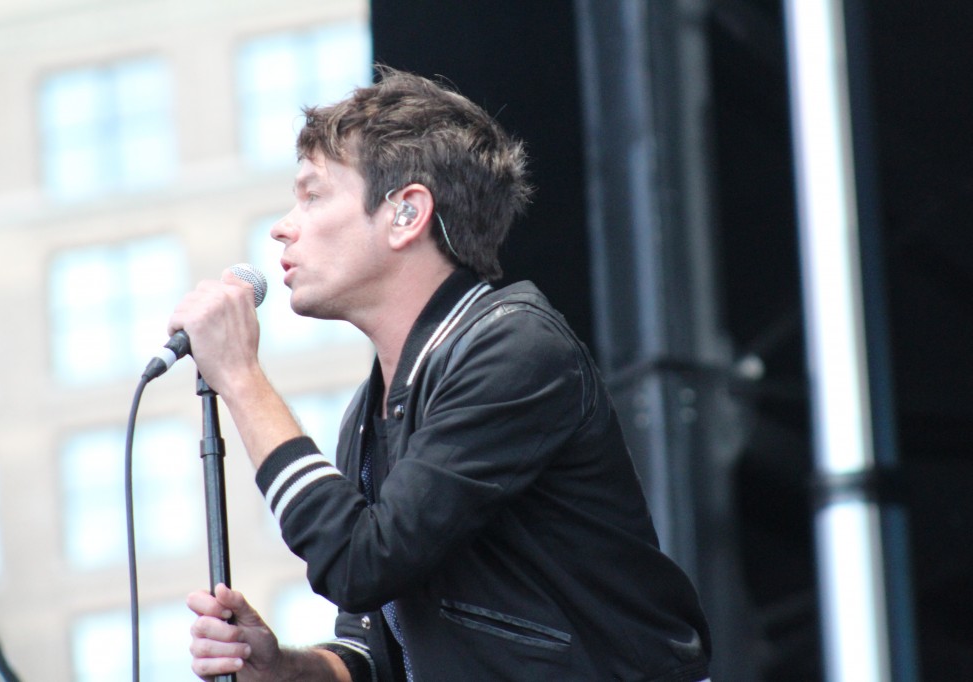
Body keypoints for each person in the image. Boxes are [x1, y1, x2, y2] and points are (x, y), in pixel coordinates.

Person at [174, 66, 711, 682]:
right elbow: (381, 646)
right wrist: (289, 669)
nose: (283, 226)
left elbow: (361, 561)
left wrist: (241, 378)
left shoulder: (514, 349)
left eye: (313, 195)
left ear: (407, 214)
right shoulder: (371, 411)